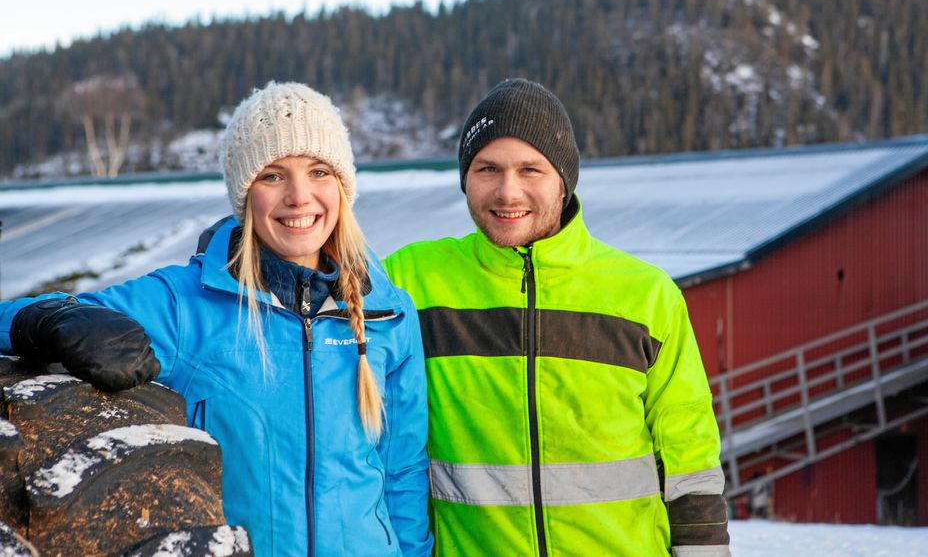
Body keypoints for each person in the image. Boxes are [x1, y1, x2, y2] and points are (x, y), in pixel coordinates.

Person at [0, 82, 433, 557]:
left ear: (343, 185)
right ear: (245, 193)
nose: (299, 196)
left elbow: (402, 474)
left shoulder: (389, 312)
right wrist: (51, 321)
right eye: (273, 175)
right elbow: (20, 316)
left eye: (319, 171)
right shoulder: (187, 306)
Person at [382, 78, 729, 556]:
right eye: (488, 168)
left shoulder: (646, 295)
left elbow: (689, 454)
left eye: (531, 169)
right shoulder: (411, 280)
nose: (508, 192)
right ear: (465, 176)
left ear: (563, 179)